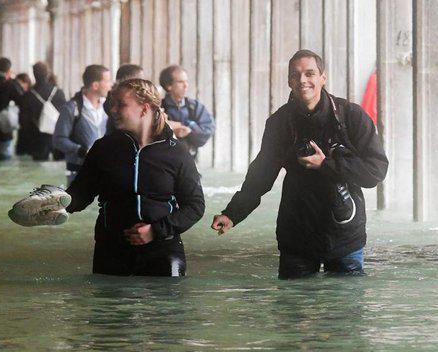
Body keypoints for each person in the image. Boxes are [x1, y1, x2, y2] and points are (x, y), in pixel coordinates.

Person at [212, 50, 388, 279]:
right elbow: (260, 176)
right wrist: (232, 214)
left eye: (310, 73)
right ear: (289, 81)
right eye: (296, 75)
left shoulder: (352, 116)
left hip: (345, 235)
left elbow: (375, 172)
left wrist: (326, 164)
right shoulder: (279, 123)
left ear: (323, 77)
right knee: (293, 310)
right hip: (297, 234)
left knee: (346, 312)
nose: (303, 80)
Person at [65, 78, 205, 276]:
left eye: (121, 104)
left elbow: (195, 206)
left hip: (163, 250)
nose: (112, 110)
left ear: (144, 109)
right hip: (112, 250)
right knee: (110, 308)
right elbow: (80, 195)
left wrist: (155, 231)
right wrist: (53, 205)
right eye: (113, 104)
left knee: (166, 305)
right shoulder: (104, 148)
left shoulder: (177, 153)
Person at [53, 65, 113, 183]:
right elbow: (58, 140)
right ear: (95, 85)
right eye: (107, 81)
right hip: (78, 172)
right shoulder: (71, 108)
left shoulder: (108, 107)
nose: (110, 85)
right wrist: (80, 150)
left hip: (103, 170)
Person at [158, 65, 215, 160]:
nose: (186, 85)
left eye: (187, 81)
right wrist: (171, 132)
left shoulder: (194, 107)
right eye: (180, 82)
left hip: (190, 160)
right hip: (164, 160)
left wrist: (187, 128)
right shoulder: (159, 107)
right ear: (169, 86)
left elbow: (208, 130)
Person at [18, 61, 67, 161]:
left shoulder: (28, 95)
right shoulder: (58, 92)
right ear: (47, 73)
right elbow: (66, 116)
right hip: (57, 136)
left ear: (34, 74)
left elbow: (24, 121)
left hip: (37, 138)